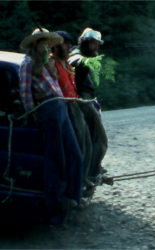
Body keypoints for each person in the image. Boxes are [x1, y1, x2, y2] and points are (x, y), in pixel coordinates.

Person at [19, 28, 84, 223]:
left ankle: (74, 198)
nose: (48, 46)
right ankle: (55, 205)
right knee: (56, 158)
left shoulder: (46, 63)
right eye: (43, 42)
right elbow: (25, 92)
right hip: (49, 110)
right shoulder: (28, 63)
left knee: (75, 154)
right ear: (35, 44)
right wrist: (34, 113)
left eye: (49, 42)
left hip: (60, 106)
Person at [49, 31, 95, 191]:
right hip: (65, 107)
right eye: (65, 44)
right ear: (55, 46)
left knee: (87, 143)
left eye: (70, 43)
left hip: (74, 103)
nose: (69, 47)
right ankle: (75, 186)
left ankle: (83, 178)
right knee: (77, 148)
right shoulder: (51, 63)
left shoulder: (66, 64)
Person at [68, 28, 108, 183]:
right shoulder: (77, 54)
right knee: (99, 138)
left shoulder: (84, 54)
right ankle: (92, 172)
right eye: (93, 44)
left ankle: (93, 167)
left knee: (92, 138)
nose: (96, 47)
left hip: (87, 99)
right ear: (85, 42)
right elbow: (74, 60)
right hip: (81, 101)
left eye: (97, 44)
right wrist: (84, 61)